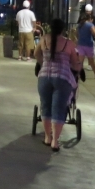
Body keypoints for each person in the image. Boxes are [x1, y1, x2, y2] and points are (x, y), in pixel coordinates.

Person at [35, 18, 81, 152]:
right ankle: (55, 141)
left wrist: (43, 62)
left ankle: (47, 138)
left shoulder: (43, 39)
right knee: (59, 109)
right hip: (62, 78)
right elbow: (74, 62)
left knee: (45, 106)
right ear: (63, 29)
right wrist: (79, 67)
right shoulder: (69, 43)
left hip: (44, 77)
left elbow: (36, 53)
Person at [76, 5, 95, 79]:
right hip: (88, 45)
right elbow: (94, 33)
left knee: (80, 61)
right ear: (89, 18)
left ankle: (78, 75)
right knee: (91, 61)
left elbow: (76, 34)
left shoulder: (80, 25)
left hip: (80, 44)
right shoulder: (90, 25)